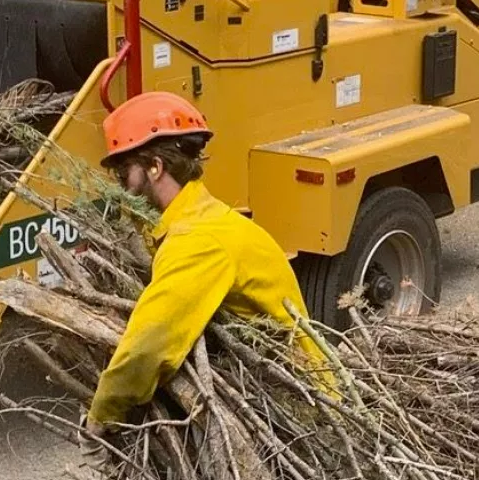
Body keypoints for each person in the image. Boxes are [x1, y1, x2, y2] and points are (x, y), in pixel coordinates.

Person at [85, 92, 335, 429]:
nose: (120, 186)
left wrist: (103, 415)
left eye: (123, 173)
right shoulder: (208, 218)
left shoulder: (198, 240)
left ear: (155, 168)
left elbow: (148, 346)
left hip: (302, 415)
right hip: (285, 397)